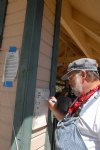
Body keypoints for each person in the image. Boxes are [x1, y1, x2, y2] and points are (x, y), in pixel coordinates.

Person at [48, 58, 100, 150]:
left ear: (83, 75)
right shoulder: (81, 98)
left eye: (71, 77)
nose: (69, 83)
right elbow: (70, 124)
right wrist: (55, 109)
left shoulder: (97, 102)